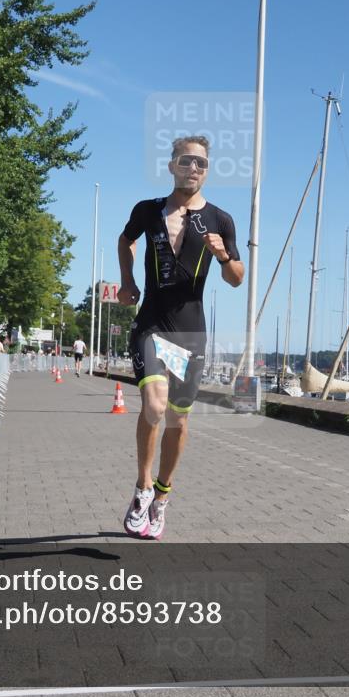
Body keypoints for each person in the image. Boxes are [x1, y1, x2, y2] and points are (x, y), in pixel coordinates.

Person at [117, 135, 244, 540]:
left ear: (207, 171)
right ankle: (141, 487)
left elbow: (237, 279)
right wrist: (126, 281)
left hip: (190, 330)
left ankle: (162, 496)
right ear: (172, 165)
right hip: (151, 322)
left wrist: (223, 255)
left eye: (202, 163)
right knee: (153, 406)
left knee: (178, 419)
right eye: (187, 160)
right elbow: (126, 240)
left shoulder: (221, 219)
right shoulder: (148, 210)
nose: (194, 168)